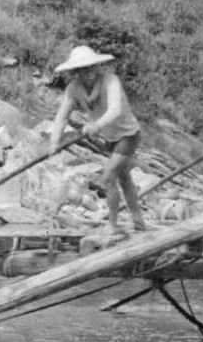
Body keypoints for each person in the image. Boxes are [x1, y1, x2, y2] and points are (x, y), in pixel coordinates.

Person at [48, 44, 146, 238]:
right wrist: (54, 143)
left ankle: (113, 224)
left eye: (92, 68)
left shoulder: (111, 81)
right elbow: (62, 117)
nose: (89, 73)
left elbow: (115, 110)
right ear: (76, 72)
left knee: (108, 176)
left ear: (97, 67)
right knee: (124, 179)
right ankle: (139, 221)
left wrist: (96, 125)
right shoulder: (73, 89)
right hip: (110, 138)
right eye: (83, 70)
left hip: (129, 135)